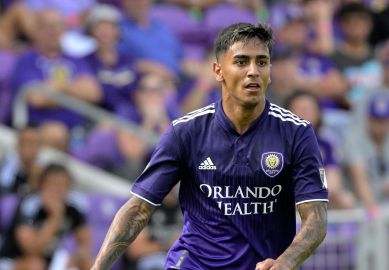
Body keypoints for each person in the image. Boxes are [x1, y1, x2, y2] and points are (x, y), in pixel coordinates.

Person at [92, 23, 328, 270]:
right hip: (194, 264)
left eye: (261, 62)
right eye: (241, 62)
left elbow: (316, 217)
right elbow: (139, 207)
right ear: (218, 71)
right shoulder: (186, 131)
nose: (253, 71)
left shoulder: (296, 133)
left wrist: (286, 262)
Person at [0, 163, 92, 270]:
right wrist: (55, 217)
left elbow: (85, 241)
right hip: (13, 260)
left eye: (64, 185)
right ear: (43, 185)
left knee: (88, 263)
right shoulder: (29, 205)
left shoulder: (72, 208)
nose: (59, 190)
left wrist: (78, 256)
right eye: (55, 185)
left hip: (50, 260)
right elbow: (32, 249)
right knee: (36, 265)